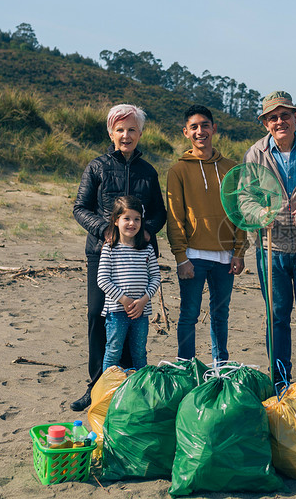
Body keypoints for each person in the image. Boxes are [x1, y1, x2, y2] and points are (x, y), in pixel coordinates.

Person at [71, 103, 166, 412]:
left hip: (139, 258)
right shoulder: (96, 166)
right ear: (111, 132)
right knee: (99, 315)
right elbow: (80, 207)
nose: (126, 135)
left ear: (140, 134)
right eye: (120, 129)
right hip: (103, 253)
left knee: (134, 318)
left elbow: (158, 213)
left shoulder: (148, 171)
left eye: (132, 130)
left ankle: (128, 384)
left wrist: (147, 232)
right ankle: (97, 384)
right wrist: (105, 230)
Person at [243, 90, 296, 385]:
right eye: (273, 117)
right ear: (265, 123)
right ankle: (280, 380)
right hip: (270, 247)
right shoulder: (255, 154)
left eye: (285, 115)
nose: (280, 121)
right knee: (277, 316)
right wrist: (259, 213)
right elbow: (244, 198)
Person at [166, 105, 248, 364]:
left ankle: (220, 367)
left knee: (220, 315)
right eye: (194, 127)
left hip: (225, 258)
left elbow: (240, 213)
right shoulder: (178, 170)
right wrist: (181, 257)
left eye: (205, 125)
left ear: (214, 128)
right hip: (193, 256)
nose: (200, 131)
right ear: (186, 133)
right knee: (189, 315)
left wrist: (239, 252)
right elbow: (175, 217)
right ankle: (185, 368)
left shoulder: (231, 168)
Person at [97, 196, 161, 372]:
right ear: (116, 221)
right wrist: (124, 300)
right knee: (113, 352)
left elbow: (156, 277)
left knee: (139, 353)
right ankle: (109, 393)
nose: (132, 223)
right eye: (126, 218)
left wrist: (143, 300)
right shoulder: (110, 248)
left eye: (137, 219)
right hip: (117, 311)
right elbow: (102, 279)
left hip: (141, 312)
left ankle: (140, 391)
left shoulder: (147, 248)